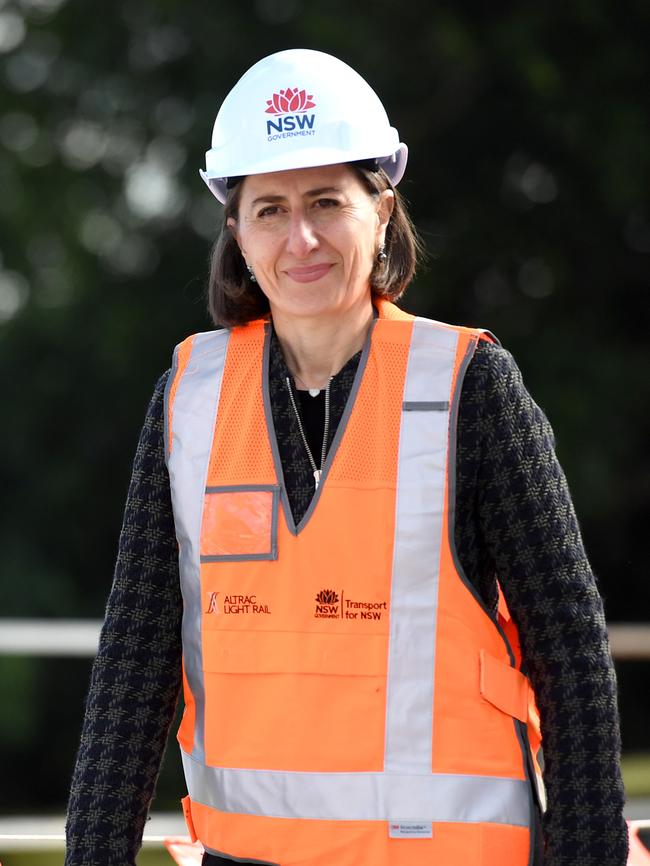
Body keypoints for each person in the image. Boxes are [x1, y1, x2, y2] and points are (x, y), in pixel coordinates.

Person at [65, 49, 629, 866]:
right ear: (237, 231)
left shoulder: (472, 387)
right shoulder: (188, 399)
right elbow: (136, 661)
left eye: (328, 201)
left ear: (381, 211)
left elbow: (570, 654)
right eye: (269, 209)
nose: (301, 238)